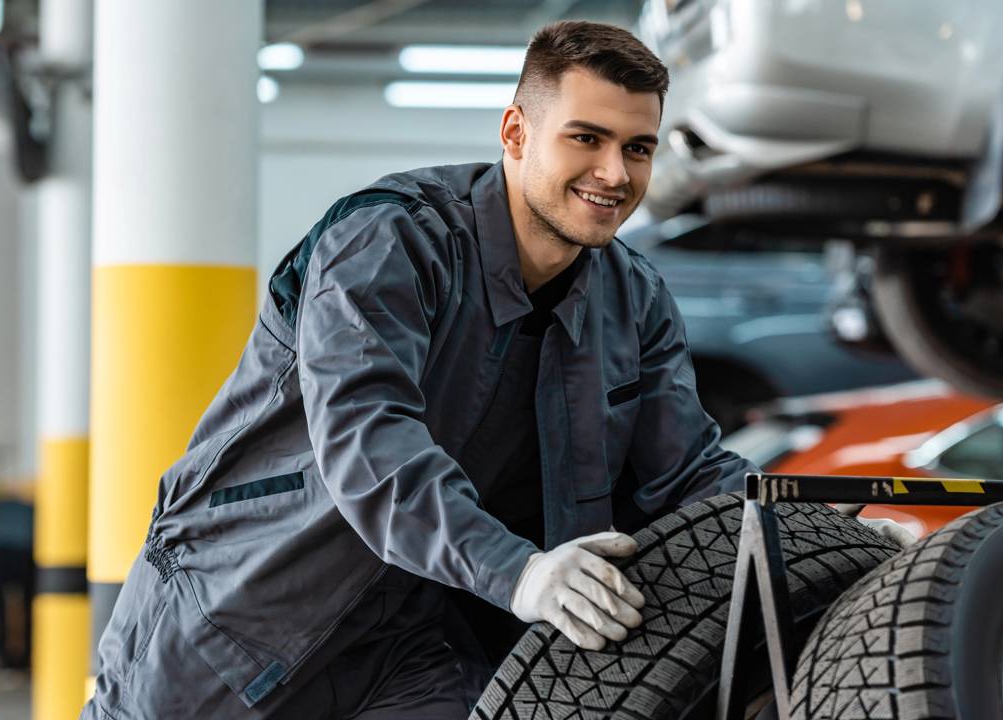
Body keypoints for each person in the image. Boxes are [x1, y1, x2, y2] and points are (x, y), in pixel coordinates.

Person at [84, 19, 838, 720]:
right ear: (516, 132)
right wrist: (520, 573)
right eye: (587, 138)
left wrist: (834, 543)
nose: (614, 173)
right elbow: (369, 441)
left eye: (637, 148)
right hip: (238, 616)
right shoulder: (389, 242)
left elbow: (688, 475)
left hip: (410, 642)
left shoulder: (633, 300)